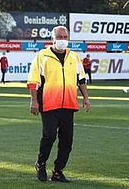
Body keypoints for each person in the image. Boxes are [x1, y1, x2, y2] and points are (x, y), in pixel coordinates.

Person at [27, 25, 91, 182]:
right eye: (59, 37)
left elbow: (81, 79)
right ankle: (40, 164)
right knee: (49, 136)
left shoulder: (74, 57)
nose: (62, 40)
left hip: (68, 103)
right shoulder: (42, 56)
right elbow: (33, 81)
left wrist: (86, 98)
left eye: (65, 37)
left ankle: (58, 171)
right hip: (48, 103)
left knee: (67, 140)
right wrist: (34, 100)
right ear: (52, 39)